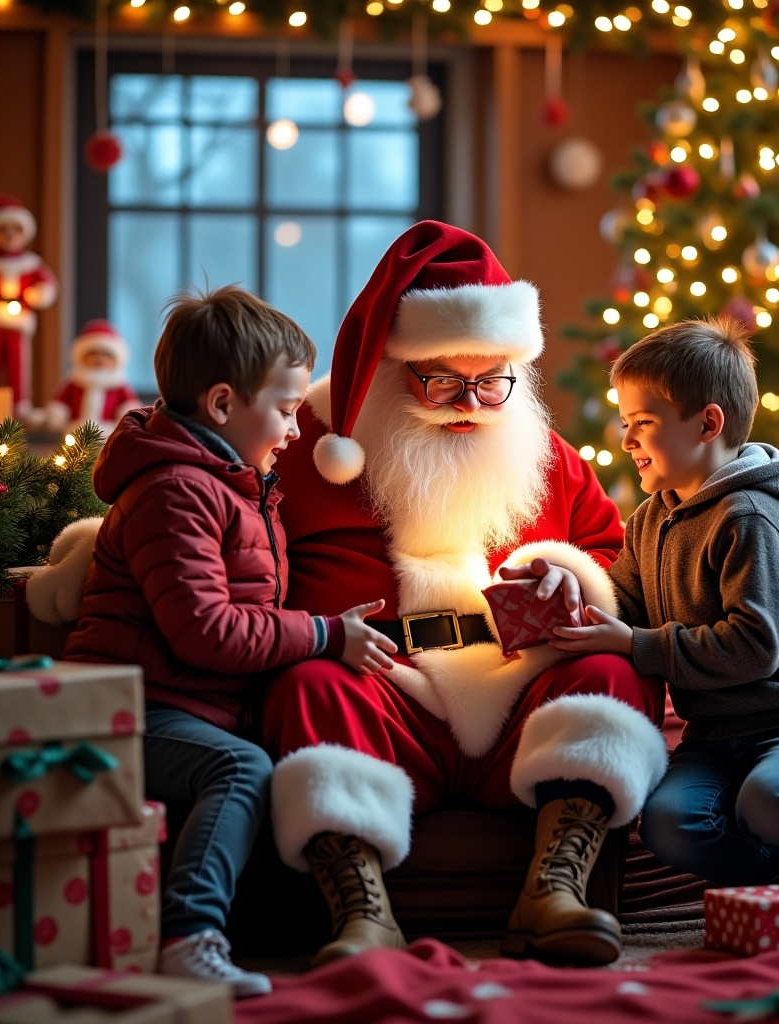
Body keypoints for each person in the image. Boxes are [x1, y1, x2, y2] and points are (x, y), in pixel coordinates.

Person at [258, 221, 668, 969]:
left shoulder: (544, 453)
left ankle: (554, 891)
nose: (470, 403)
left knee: (614, 674)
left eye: (492, 379)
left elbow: (615, 555)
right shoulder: (308, 446)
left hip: (516, 695)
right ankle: (360, 908)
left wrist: (569, 575)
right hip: (382, 687)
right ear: (390, 362)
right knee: (307, 683)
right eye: (441, 379)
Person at [62, 285, 397, 996]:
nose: (297, 431)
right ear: (221, 405)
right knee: (241, 770)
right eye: (284, 410)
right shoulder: (176, 490)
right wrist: (321, 634)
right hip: (127, 709)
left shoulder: (234, 486)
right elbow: (205, 631)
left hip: (180, 705)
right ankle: (189, 934)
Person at [546, 315, 779, 889]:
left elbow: (753, 648)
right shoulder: (652, 518)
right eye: (625, 423)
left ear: (707, 423)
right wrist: (571, 583)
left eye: (642, 423)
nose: (625, 441)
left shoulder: (753, 518)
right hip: (716, 736)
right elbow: (623, 598)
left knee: (773, 800)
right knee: (670, 825)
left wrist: (637, 646)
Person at [0, 187, 59, 417]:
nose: (9, 235)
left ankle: (19, 405)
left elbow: (48, 286)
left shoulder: (31, 263)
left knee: (19, 363)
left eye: (15, 230)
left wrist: (39, 293)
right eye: (2, 230)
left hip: (18, 321)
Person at [43, 319, 141, 435]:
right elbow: (59, 404)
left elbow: (129, 405)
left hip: (107, 433)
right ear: (82, 356)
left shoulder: (119, 383)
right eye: (93, 354)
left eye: (105, 355)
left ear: (115, 359)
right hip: (76, 431)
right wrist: (56, 415)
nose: (99, 359)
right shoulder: (74, 380)